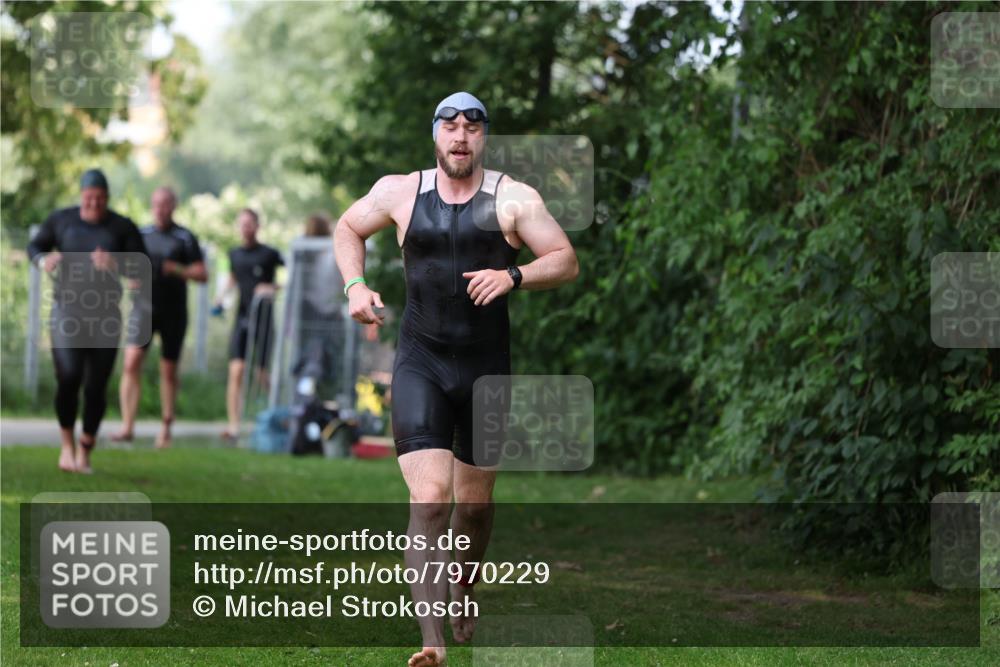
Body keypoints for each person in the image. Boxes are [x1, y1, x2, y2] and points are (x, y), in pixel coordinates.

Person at [334, 92, 579, 667]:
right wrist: (355, 286)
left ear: (483, 137)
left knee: (473, 505)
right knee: (430, 498)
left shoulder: (513, 198)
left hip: (486, 371)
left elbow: (565, 259)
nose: (461, 136)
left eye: (472, 126)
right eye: (450, 125)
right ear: (436, 136)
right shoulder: (399, 191)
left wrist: (514, 275)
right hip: (420, 362)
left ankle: (464, 587)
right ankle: (431, 639)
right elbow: (348, 229)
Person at [26, 169, 148, 474]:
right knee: (68, 377)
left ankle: (86, 450)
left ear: (107, 198)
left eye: (100, 198)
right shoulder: (62, 220)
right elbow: (35, 247)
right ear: (81, 196)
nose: (94, 203)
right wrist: (44, 260)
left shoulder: (122, 227)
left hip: (105, 315)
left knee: (96, 386)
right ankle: (66, 445)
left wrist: (115, 264)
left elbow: (142, 268)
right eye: (88, 197)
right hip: (67, 311)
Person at [111, 187, 207, 448]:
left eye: (165, 204)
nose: (160, 209)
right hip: (143, 309)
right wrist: (130, 276)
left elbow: (202, 273)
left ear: (174, 206)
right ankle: (127, 426)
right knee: (131, 363)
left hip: (174, 312)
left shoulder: (185, 237)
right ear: (151, 206)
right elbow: (124, 264)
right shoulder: (140, 234)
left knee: (168, 370)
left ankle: (166, 427)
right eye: (156, 204)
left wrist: (176, 269)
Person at [214, 208, 284, 440]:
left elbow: (290, 278)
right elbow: (234, 276)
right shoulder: (233, 253)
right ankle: (234, 426)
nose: (246, 228)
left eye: (250, 223)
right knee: (236, 370)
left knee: (261, 374)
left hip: (264, 319)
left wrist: (271, 288)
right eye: (242, 223)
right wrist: (221, 296)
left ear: (257, 226)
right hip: (242, 318)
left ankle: (277, 418)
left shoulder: (270, 254)